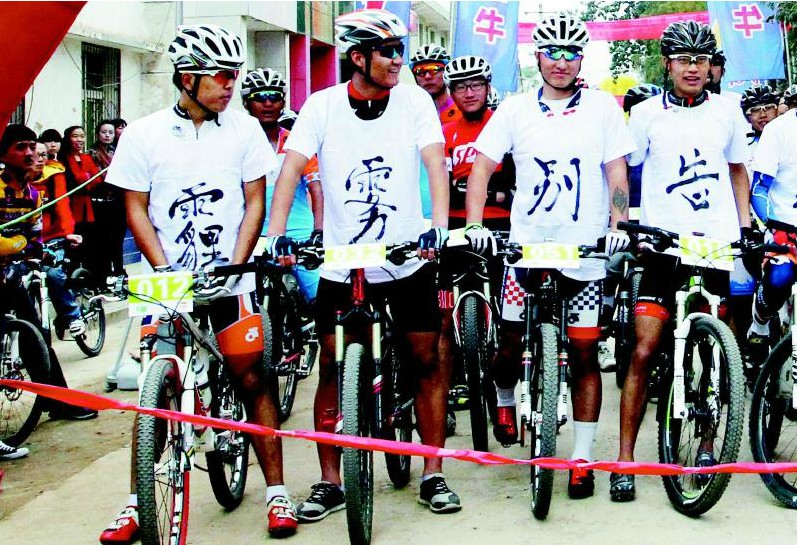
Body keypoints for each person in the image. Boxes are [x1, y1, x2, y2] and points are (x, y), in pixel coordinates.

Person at [98, 24, 298, 543]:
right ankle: (138, 501)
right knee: (155, 392)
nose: (231, 85)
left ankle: (277, 492)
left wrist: (236, 264)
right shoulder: (143, 133)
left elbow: (254, 201)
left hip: (228, 276)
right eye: (221, 76)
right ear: (187, 78)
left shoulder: (244, 130)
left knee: (250, 378)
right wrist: (162, 269)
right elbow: (135, 207)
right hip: (170, 280)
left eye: (235, 75)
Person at [266, 8, 458, 519]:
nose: (398, 60)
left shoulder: (414, 101)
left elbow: (434, 161)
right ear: (357, 57)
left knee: (425, 360)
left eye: (400, 50)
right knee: (332, 366)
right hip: (343, 262)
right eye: (388, 52)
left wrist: (438, 224)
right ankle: (331, 481)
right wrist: (278, 234)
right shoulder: (321, 105)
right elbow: (290, 169)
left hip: (407, 257)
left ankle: (433, 472)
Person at [465, 13, 634, 500]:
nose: (561, 62)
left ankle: (581, 459)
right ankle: (503, 395)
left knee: (583, 352)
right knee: (509, 342)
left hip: (584, 254)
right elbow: (482, 168)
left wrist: (617, 228)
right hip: (526, 249)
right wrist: (474, 225)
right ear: (537, 57)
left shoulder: (603, 109)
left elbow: (616, 174)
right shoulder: (515, 109)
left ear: (581, 59)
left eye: (571, 53)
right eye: (552, 53)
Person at [617, 21, 752, 502]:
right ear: (668, 64)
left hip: (713, 246)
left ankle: (709, 445)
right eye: (683, 59)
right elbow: (623, 171)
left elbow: (737, 171)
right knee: (644, 349)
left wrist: (745, 228)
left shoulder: (728, 110)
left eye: (701, 59)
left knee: (714, 352)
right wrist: (622, 224)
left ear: (710, 65)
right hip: (662, 245)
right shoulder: (645, 114)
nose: (693, 68)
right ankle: (624, 460)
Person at [0, 124, 98, 424]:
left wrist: (32, 249)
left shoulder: (32, 194)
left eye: (32, 146)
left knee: (37, 336)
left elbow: (34, 239)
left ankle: (57, 401)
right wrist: (18, 244)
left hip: (9, 277)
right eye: (21, 147)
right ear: (4, 154)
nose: (30, 153)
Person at [439, 55, 513, 413]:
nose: (469, 93)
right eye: (460, 87)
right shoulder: (445, 130)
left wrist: (490, 192)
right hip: (455, 226)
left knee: (506, 303)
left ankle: (504, 374)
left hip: (500, 224)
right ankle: (451, 381)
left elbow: (514, 183)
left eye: (475, 85)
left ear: (487, 87)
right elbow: (439, 183)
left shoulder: (503, 124)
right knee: (440, 307)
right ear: (451, 92)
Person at [241, 67, 323, 305]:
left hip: (299, 233)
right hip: (252, 236)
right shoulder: (237, 143)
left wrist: (319, 231)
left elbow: (316, 189)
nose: (268, 103)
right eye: (259, 97)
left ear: (283, 102)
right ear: (246, 103)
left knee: (322, 299)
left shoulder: (296, 141)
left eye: (274, 96)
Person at [747, 91, 797, 366]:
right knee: (780, 279)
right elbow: (759, 188)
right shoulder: (779, 129)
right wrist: (772, 222)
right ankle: (760, 321)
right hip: (785, 226)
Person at [27, 142, 86, 337]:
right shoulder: (15, 178)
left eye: (44, 155)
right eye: (36, 155)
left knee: (53, 274)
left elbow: (62, 205)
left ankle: (73, 315)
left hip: (53, 236)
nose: (40, 159)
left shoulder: (54, 175)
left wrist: (68, 232)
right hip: (26, 241)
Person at [57, 125, 101, 280]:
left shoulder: (87, 158)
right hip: (72, 206)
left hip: (88, 207)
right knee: (73, 245)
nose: (79, 139)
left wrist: (86, 178)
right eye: (75, 136)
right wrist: (86, 177)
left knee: (89, 244)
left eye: (82, 136)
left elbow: (97, 179)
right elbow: (78, 179)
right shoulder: (63, 159)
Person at [89, 119, 127, 279]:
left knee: (118, 238)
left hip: (117, 200)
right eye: (104, 132)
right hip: (100, 202)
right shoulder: (92, 153)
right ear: (98, 134)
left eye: (110, 132)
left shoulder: (118, 151)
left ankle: (119, 270)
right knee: (103, 239)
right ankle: (104, 273)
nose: (107, 135)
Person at [410, 44, 461, 124]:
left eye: (434, 69)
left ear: (447, 72)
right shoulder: (410, 114)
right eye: (420, 71)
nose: (427, 76)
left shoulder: (463, 112)